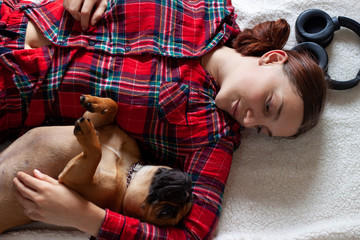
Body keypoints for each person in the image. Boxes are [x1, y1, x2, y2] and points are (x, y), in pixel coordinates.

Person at [1, 0, 327, 238]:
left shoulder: (212, 136)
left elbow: (192, 233)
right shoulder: (207, 7)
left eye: (262, 129)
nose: (250, 119)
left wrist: (87, 218)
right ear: (271, 59)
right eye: (270, 106)